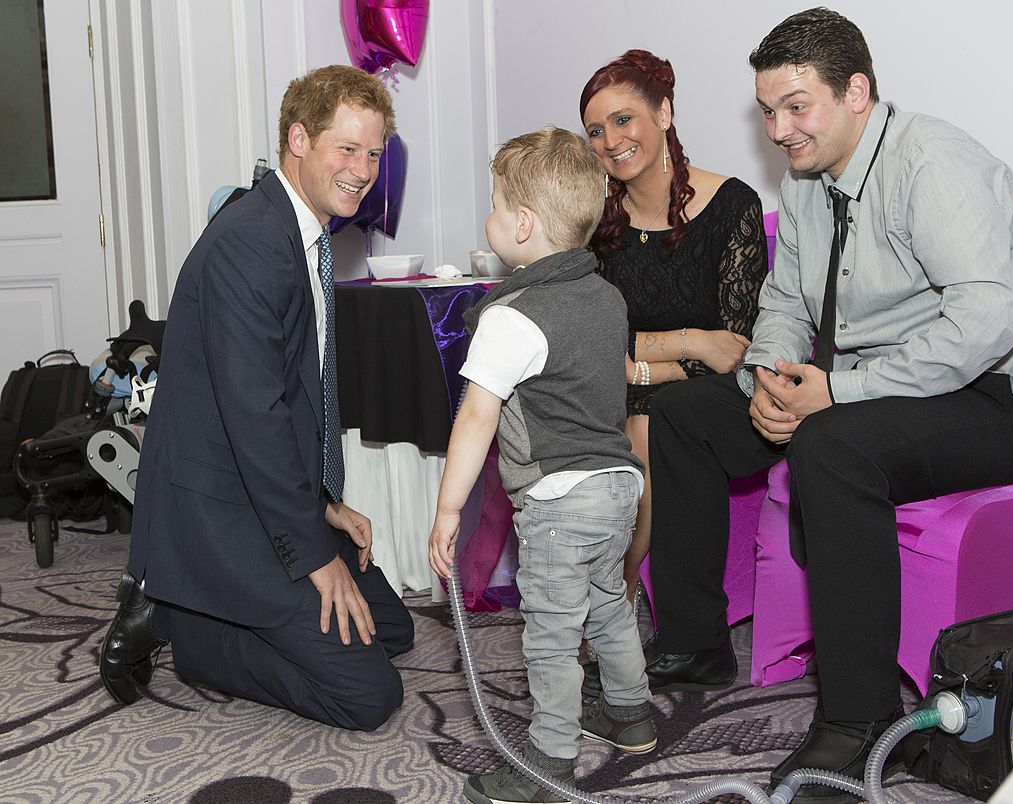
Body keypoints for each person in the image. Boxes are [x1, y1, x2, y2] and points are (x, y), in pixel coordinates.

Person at [641, 6, 1013, 800]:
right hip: (852, 386)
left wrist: (835, 394)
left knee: (832, 445)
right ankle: (692, 642)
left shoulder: (935, 163)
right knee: (686, 414)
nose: (779, 129)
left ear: (857, 92)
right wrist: (773, 381)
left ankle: (860, 720)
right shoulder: (807, 178)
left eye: (795, 106)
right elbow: (784, 302)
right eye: (768, 111)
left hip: (986, 399)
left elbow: (989, 320)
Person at [98, 65, 414, 730]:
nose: (362, 169)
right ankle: (188, 629)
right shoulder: (252, 243)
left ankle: (201, 610)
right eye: (346, 149)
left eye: (374, 152)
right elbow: (257, 418)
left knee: (390, 624)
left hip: (261, 492)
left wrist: (324, 507)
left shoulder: (298, 230)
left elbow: (293, 396)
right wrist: (313, 553)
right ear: (298, 139)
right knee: (368, 693)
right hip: (223, 514)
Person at [428, 127, 652, 804]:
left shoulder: (512, 316)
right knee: (609, 603)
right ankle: (631, 712)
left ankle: (550, 761)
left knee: (551, 636)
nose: (489, 219)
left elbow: (476, 418)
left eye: (495, 206)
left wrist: (447, 510)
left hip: (560, 501)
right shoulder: (608, 298)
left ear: (522, 225)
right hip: (620, 486)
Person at [579, 49, 769, 613]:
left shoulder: (733, 205)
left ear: (663, 114)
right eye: (595, 130)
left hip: (708, 402)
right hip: (609, 386)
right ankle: (605, 597)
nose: (611, 141)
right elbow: (588, 339)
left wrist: (638, 362)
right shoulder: (594, 223)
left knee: (648, 422)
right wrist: (690, 342)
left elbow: (735, 347)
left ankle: (618, 591)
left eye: (622, 120)